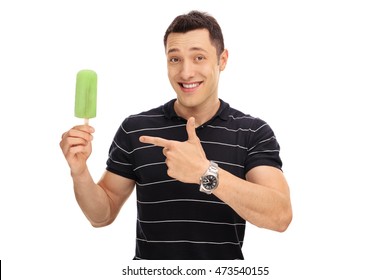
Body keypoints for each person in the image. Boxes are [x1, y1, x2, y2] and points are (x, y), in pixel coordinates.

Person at [60, 10, 292, 260]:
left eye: (199, 57)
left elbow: (279, 216)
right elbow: (101, 216)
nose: (186, 72)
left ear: (222, 60)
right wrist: (80, 172)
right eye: (175, 59)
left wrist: (205, 173)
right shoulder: (136, 129)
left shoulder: (252, 132)